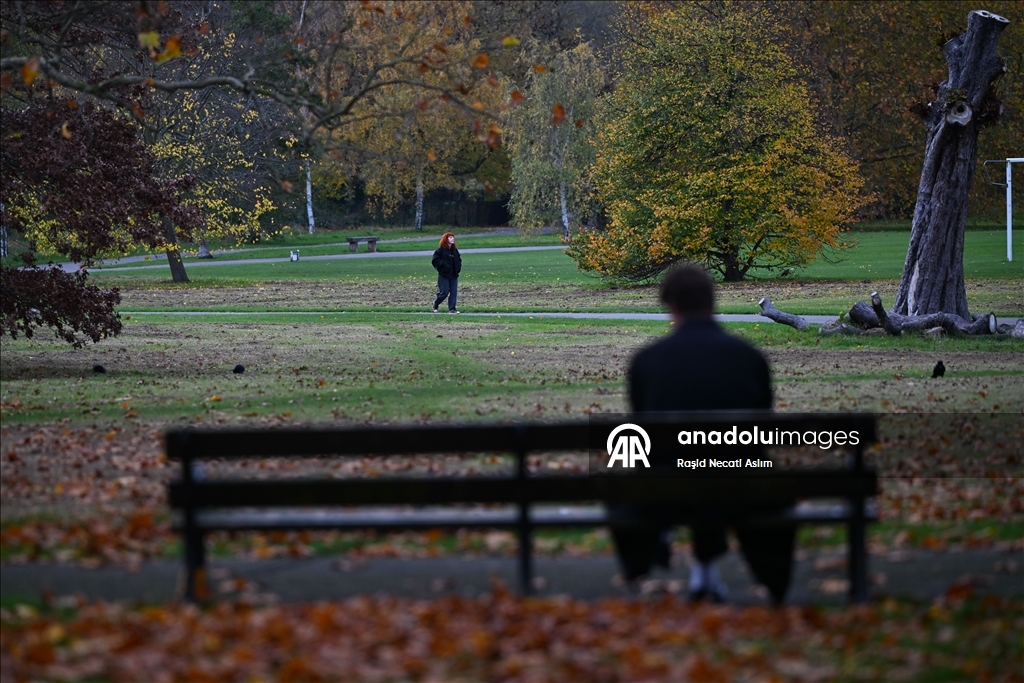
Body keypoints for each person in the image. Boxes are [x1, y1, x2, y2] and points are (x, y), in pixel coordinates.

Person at [613, 264, 795, 604]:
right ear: (712, 303)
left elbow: (640, 430)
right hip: (740, 482)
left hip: (665, 485)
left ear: (672, 306)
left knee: (637, 481)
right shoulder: (748, 358)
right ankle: (771, 582)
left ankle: (647, 560)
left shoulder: (648, 362)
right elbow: (762, 426)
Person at [431, 232, 461, 314]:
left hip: (454, 275)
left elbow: (459, 260)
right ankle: (436, 303)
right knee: (444, 292)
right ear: (446, 239)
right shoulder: (440, 251)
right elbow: (435, 261)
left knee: (454, 292)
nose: (453, 239)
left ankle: (452, 309)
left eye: (453, 237)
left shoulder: (454, 250)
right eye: (450, 237)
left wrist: (458, 268)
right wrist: (443, 266)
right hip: (444, 275)